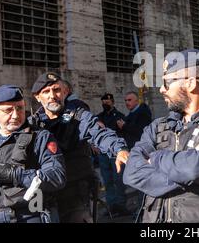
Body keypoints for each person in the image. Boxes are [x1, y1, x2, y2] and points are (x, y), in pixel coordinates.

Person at [123, 49, 199, 223]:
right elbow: (131, 172)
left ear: (190, 83)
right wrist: (186, 172)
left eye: (166, 83)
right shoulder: (157, 127)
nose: (161, 89)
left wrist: (157, 159)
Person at [29, 72, 129, 223]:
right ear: (37, 97)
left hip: (75, 192)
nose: (52, 95)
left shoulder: (78, 116)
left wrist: (119, 149)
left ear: (65, 92)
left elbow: (99, 132)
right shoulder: (33, 123)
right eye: (45, 92)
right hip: (45, 194)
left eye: (56, 90)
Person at [0, 85, 66, 223]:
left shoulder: (40, 137)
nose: (16, 115)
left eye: (19, 108)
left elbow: (57, 176)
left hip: (29, 216)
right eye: (8, 110)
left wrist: (14, 175)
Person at [95, 93, 128, 216]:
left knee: (119, 180)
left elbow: (125, 133)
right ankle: (111, 207)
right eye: (103, 102)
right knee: (107, 181)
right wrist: (93, 145)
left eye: (107, 101)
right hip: (103, 154)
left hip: (116, 154)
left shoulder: (120, 116)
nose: (105, 104)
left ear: (112, 101)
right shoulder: (98, 117)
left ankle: (121, 206)